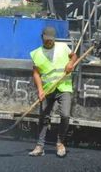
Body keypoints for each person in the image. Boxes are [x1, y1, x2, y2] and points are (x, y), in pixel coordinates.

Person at [29, 26, 77, 158]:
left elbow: (74, 56)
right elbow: (36, 74)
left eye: (51, 40)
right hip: (48, 89)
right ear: (42, 38)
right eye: (46, 40)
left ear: (54, 39)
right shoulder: (36, 53)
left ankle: (60, 143)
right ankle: (39, 147)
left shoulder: (62, 47)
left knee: (65, 115)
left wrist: (71, 63)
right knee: (44, 117)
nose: (48, 42)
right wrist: (40, 90)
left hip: (64, 87)